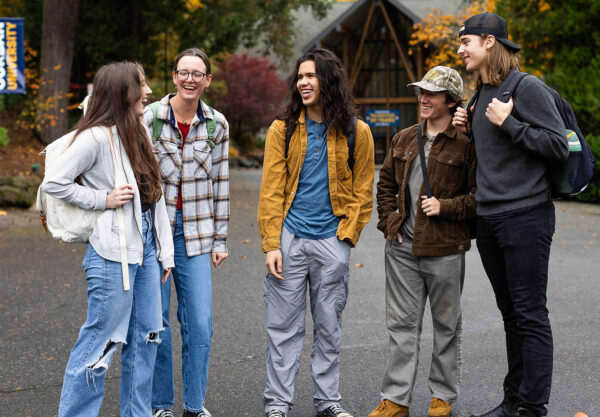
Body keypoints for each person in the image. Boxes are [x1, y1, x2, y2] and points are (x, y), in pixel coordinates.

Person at [42, 61, 174, 417]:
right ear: (123, 92)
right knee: (100, 342)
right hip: (112, 253)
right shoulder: (96, 137)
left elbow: (155, 195)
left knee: (148, 337)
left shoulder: (137, 130)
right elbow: (54, 182)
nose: (148, 91)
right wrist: (102, 199)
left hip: (146, 247)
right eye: (141, 85)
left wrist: (165, 252)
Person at [452, 12, 568, 417]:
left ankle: (533, 408)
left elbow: (559, 146)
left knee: (530, 313)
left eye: (465, 42)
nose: (460, 49)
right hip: (490, 219)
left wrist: (511, 123)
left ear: (488, 42)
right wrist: (468, 132)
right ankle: (513, 401)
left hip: (526, 215)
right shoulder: (479, 92)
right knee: (511, 316)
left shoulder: (528, 87)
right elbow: (492, 157)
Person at [257, 48, 375, 417]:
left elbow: (363, 190)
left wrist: (346, 238)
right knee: (283, 329)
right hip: (290, 239)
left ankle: (327, 402)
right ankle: (277, 404)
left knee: (329, 328)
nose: (303, 83)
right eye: (300, 77)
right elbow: (272, 190)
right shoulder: (283, 129)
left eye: (311, 76)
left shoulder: (358, 132)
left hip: (331, 242)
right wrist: (271, 243)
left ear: (329, 80)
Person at [369, 66, 476, 417]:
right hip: (402, 250)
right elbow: (384, 187)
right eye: (421, 92)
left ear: (451, 100)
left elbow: (480, 197)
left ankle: (442, 397)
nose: (423, 98)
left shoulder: (466, 144)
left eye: (431, 93)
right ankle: (396, 400)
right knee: (401, 326)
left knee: (446, 326)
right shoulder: (403, 138)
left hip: (445, 249)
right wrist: (389, 224)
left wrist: (445, 207)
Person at [144, 47, 229, 417]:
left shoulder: (217, 125)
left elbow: (221, 184)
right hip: (154, 236)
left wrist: (220, 239)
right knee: (157, 322)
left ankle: (194, 406)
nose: (190, 79)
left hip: (196, 237)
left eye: (198, 73)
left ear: (207, 80)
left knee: (200, 324)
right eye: (184, 72)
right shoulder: (150, 118)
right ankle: (161, 405)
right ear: (174, 77)